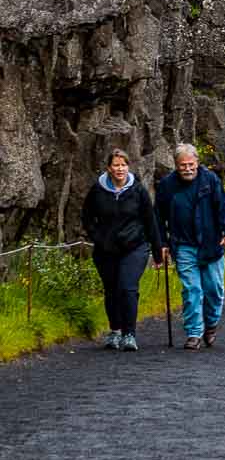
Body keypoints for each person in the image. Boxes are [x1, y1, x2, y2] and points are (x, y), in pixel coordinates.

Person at [155, 144, 225, 351]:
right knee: (192, 290)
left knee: (214, 290)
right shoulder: (167, 185)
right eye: (183, 165)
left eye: (191, 164)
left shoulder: (210, 180)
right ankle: (194, 333)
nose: (187, 169)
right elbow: (157, 217)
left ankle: (210, 325)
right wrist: (161, 244)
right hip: (183, 245)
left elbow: (224, 207)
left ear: (197, 163)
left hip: (212, 244)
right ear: (176, 165)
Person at [82, 148, 164, 352]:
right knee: (111, 291)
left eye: (123, 165)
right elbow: (86, 217)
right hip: (106, 249)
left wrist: (157, 251)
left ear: (129, 166)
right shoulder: (98, 190)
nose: (120, 169)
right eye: (116, 165)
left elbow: (150, 221)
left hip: (135, 246)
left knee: (127, 288)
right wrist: (97, 237)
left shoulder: (138, 191)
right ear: (109, 168)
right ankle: (115, 331)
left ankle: (129, 334)